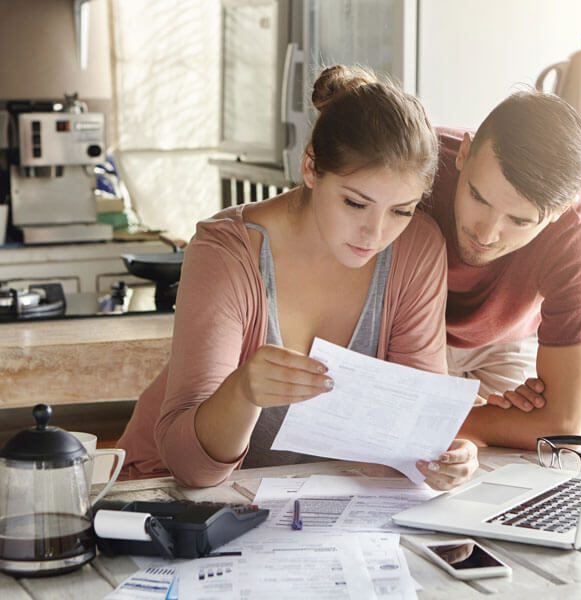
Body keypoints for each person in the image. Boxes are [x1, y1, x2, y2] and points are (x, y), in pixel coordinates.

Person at [117, 65, 478, 491]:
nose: (376, 233)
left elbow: (406, 438)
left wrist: (443, 457)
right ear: (310, 167)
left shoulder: (417, 248)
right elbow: (191, 470)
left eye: (400, 210)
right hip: (170, 498)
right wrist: (242, 392)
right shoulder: (226, 252)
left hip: (307, 508)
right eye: (355, 203)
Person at [423, 91, 581, 450]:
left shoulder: (578, 229)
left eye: (519, 220)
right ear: (463, 153)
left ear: (559, 212)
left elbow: (562, 426)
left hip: (502, 343)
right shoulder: (416, 162)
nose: (485, 234)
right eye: (478, 197)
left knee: (515, 471)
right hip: (403, 333)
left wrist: (434, 418)